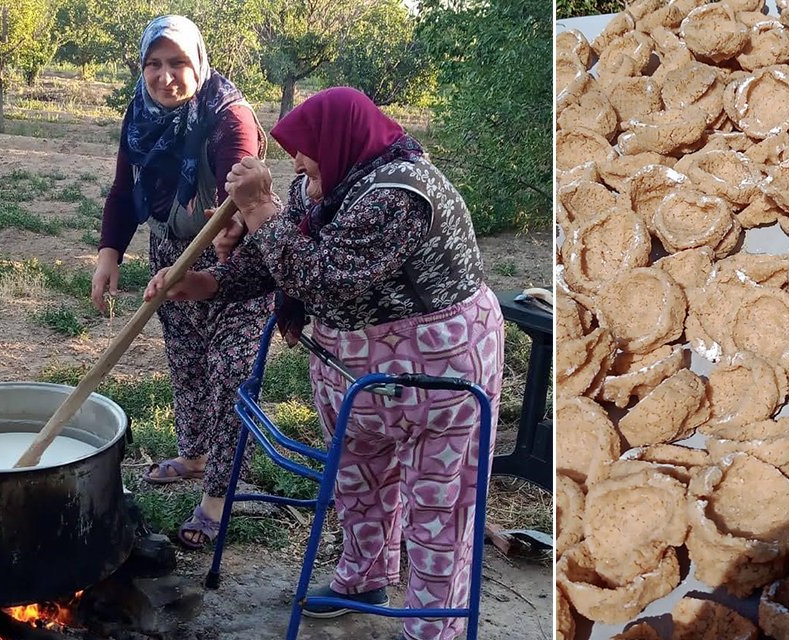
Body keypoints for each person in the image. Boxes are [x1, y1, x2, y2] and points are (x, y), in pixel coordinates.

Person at [144, 87, 504, 640]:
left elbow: (323, 276)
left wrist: (259, 210)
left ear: (339, 140)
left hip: (439, 377)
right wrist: (206, 283)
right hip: (357, 373)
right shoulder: (322, 184)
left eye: (305, 151)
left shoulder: (402, 195)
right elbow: (278, 258)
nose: (296, 164)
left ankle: (433, 625)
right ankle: (363, 580)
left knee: (439, 505)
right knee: (359, 480)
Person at [91, 15, 272, 550]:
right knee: (186, 357)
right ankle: (194, 455)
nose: (164, 76)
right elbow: (123, 191)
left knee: (231, 372)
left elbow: (241, 192)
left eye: (177, 63)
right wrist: (108, 256)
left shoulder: (229, 118)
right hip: (170, 249)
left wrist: (232, 227)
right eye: (153, 63)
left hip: (236, 257)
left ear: (199, 63)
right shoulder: (140, 115)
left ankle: (219, 494)